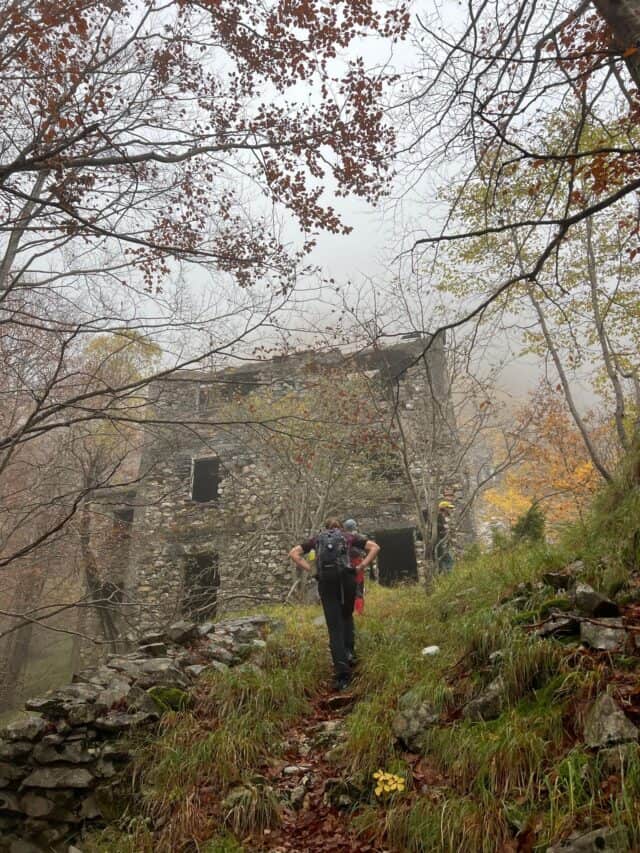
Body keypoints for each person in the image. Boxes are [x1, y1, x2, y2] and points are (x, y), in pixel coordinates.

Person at [289, 517, 380, 691]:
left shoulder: (317, 539)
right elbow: (375, 547)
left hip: (326, 582)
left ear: (326, 528)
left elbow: (294, 553)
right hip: (347, 580)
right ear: (340, 527)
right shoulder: (348, 537)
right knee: (347, 615)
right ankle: (350, 653)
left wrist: (312, 570)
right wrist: (361, 566)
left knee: (334, 627)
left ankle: (342, 675)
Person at [344, 518, 367, 615]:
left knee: (348, 588)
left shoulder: (342, 537)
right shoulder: (359, 537)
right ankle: (359, 612)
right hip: (357, 564)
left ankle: (351, 611)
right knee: (358, 588)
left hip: (345, 564)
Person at [435, 500, 455, 573]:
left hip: (441, 542)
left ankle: (442, 576)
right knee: (449, 560)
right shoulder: (438, 516)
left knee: (441, 561)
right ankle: (450, 575)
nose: (450, 510)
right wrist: (444, 529)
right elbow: (435, 528)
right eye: (448, 508)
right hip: (438, 542)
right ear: (444, 508)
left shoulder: (442, 517)